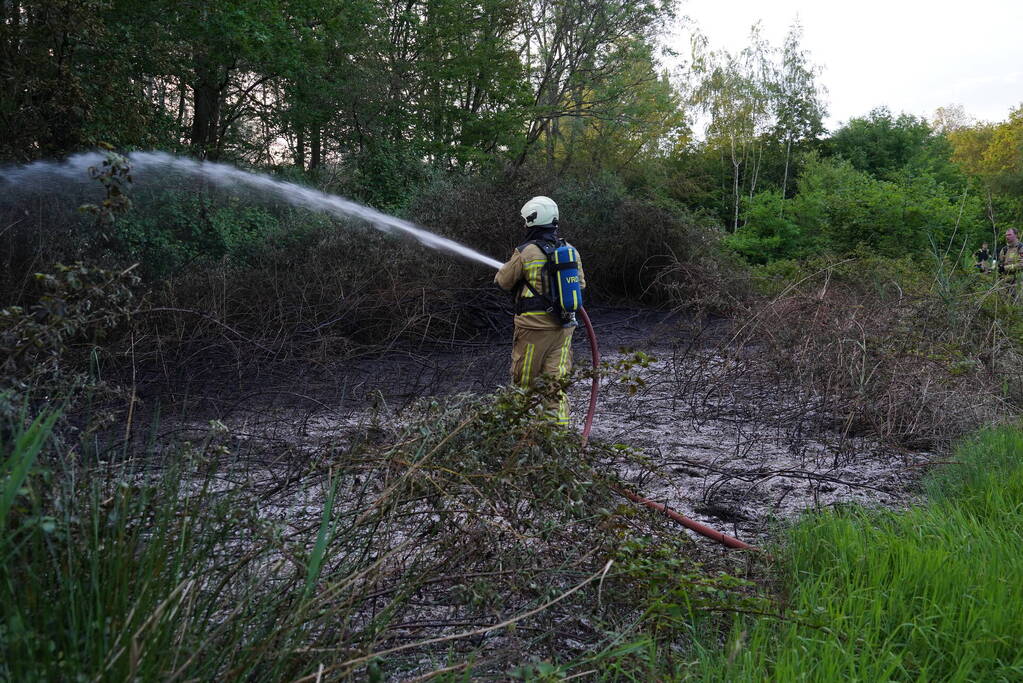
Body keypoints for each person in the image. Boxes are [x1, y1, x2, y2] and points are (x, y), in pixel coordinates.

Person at [494, 196, 586, 426]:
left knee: (523, 382)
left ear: (532, 221)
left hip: (533, 329)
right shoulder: (570, 250)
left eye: (525, 221)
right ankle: (557, 438)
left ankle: (516, 433)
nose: (524, 225)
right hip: (564, 329)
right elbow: (581, 285)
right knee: (556, 387)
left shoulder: (526, 252)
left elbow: (503, 281)